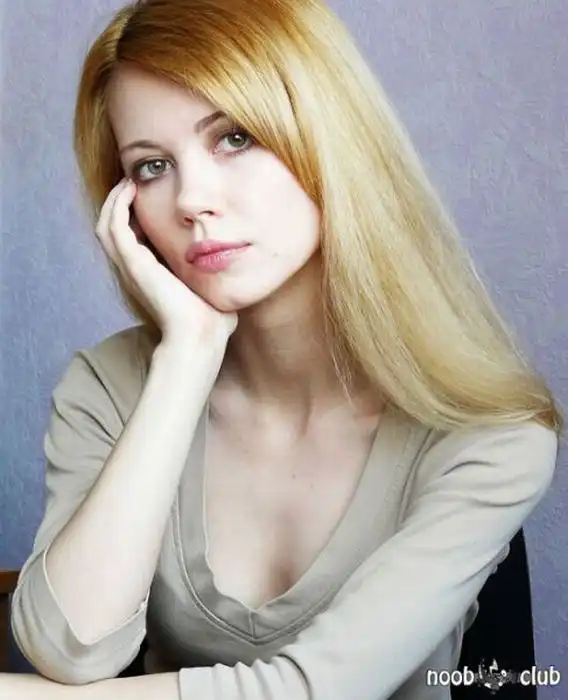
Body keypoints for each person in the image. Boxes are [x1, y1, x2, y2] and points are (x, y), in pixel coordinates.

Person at [3, 0, 562, 698]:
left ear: (331, 139)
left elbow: (315, 689)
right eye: (151, 167)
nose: (192, 199)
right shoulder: (108, 387)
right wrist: (187, 358)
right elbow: (70, 653)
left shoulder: (491, 435)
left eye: (235, 137)